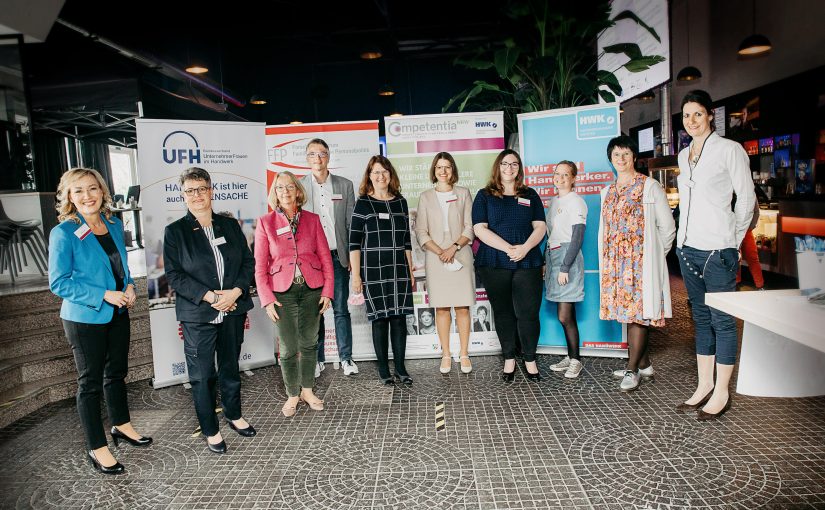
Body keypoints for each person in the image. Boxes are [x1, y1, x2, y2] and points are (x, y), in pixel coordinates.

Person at [49, 168, 151, 475]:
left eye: (92, 189)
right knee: (90, 383)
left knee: (116, 372)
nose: (87, 196)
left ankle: (121, 425)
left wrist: (130, 285)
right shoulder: (65, 232)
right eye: (78, 191)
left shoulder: (113, 224)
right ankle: (97, 446)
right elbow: (59, 283)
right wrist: (104, 294)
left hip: (118, 311)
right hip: (85, 318)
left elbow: (122, 265)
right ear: (68, 196)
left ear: (102, 191)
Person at [163, 167, 256, 454]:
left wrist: (236, 292)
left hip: (233, 307)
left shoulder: (229, 225)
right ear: (183, 194)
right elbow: (174, 275)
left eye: (201, 188)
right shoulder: (175, 231)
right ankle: (210, 429)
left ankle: (234, 414)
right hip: (198, 313)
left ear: (211, 190)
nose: (197, 195)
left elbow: (247, 264)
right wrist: (209, 296)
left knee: (230, 367)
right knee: (203, 374)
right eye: (190, 190)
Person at [675, 90, 756, 421]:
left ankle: (722, 391)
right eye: (686, 116)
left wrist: (732, 241)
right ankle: (704, 384)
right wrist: (680, 242)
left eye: (697, 114)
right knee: (701, 318)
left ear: (710, 115)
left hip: (718, 249)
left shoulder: (729, 150)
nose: (691, 121)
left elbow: (747, 200)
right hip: (688, 248)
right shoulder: (683, 155)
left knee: (723, 320)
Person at [598, 136, 676, 392]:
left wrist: (652, 256)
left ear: (634, 156)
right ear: (610, 160)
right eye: (616, 155)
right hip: (616, 265)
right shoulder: (607, 192)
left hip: (640, 265)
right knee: (627, 315)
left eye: (626, 154)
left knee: (638, 316)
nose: (621, 159)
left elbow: (667, 228)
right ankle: (645, 365)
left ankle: (632, 370)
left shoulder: (649, 186)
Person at [255, 171, 333, 417]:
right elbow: (259, 266)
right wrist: (267, 299)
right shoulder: (266, 222)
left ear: (298, 191)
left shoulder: (312, 219)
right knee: (288, 348)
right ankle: (292, 393)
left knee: (310, 343)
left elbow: (325, 258)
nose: (285, 191)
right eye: (280, 188)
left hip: (312, 289)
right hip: (282, 293)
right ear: (275, 193)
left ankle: (308, 390)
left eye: (290, 187)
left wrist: (328, 291)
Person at [472, 149, 546, 382]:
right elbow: (479, 229)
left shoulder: (530, 195)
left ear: (519, 168)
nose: (509, 168)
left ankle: (530, 359)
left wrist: (523, 248)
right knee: (504, 313)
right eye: (505, 163)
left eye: (514, 164)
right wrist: (508, 248)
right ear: (498, 166)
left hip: (528, 260)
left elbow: (541, 227)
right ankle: (509, 358)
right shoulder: (484, 195)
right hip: (495, 261)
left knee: (529, 313)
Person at [350, 155, 415, 385]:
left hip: (398, 269)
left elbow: (406, 240)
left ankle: (400, 367)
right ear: (369, 176)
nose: (380, 176)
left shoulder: (401, 202)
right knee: (380, 320)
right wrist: (356, 276)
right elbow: (354, 243)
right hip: (373, 270)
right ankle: (383, 369)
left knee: (399, 319)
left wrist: (410, 270)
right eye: (376, 172)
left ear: (391, 175)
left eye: (384, 172)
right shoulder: (363, 203)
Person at [299, 138, 359, 378]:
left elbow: (352, 225)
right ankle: (318, 359)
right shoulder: (299, 187)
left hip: (338, 257)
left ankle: (346, 358)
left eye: (322, 153)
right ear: (307, 158)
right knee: (315, 311)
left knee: (341, 310)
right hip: (312, 260)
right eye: (312, 154)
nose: (318, 158)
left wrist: (354, 261)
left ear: (328, 156)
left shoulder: (344, 186)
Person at [414, 152, 476, 374]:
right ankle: (446, 354)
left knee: (462, 307)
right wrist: (440, 251)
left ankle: (465, 353)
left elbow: (470, 227)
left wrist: (454, 248)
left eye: (447, 167)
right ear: (434, 170)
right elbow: (420, 231)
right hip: (435, 255)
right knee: (441, 308)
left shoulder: (464, 193)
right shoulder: (426, 197)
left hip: (460, 252)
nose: (443, 171)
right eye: (439, 167)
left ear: (453, 170)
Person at [545, 161, 588, 379]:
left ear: (573, 178)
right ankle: (571, 357)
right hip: (553, 256)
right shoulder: (554, 201)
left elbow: (577, 238)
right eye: (557, 174)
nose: (560, 178)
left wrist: (564, 267)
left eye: (565, 175)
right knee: (564, 314)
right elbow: (551, 234)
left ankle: (576, 360)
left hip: (566, 259)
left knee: (564, 315)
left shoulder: (577, 202)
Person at [737, 199, 764, 290]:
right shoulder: (730, 190)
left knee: (752, 257)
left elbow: (756, 212)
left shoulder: (749, 191)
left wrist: (750, 227)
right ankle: (736, 284)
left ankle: (760, 285)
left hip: (746, 231)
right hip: (734, 231)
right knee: (736, 258)